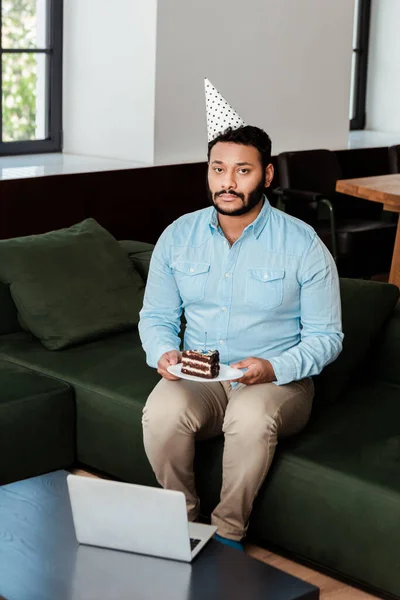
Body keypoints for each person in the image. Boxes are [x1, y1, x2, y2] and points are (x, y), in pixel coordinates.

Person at [138, 81, 343, 552]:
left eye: (243, 170)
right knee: (162, 411)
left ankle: (229, 533)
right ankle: (183, 524)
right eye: (218, 169)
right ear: (208, 172)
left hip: (278, 381)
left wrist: (274, 368)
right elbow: (157, 315)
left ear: (267, 175)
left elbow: (327, 337)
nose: (227, 182)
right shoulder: (177, 236)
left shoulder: (304, 243)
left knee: (250, 416)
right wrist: (163, 352)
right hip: (201, 376)